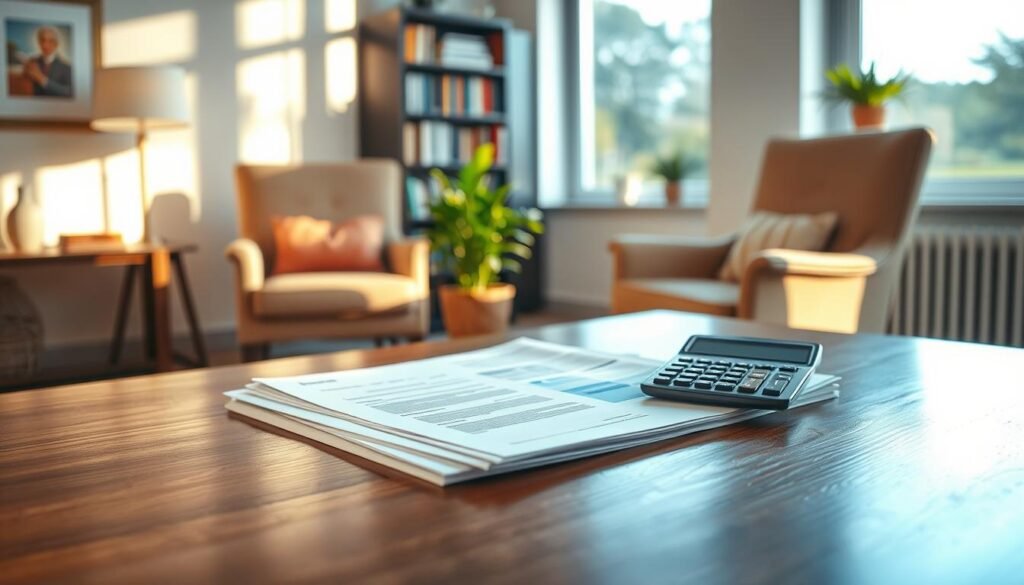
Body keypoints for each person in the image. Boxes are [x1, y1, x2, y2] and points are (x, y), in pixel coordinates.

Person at [21, 26, 72, 98]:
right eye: (42, 40)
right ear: (39, 42)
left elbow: (68, 92)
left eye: (50, 41)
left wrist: (43, 80)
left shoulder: (66, 66)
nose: (45, 45)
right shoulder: (32, 62)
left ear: (56, 44)